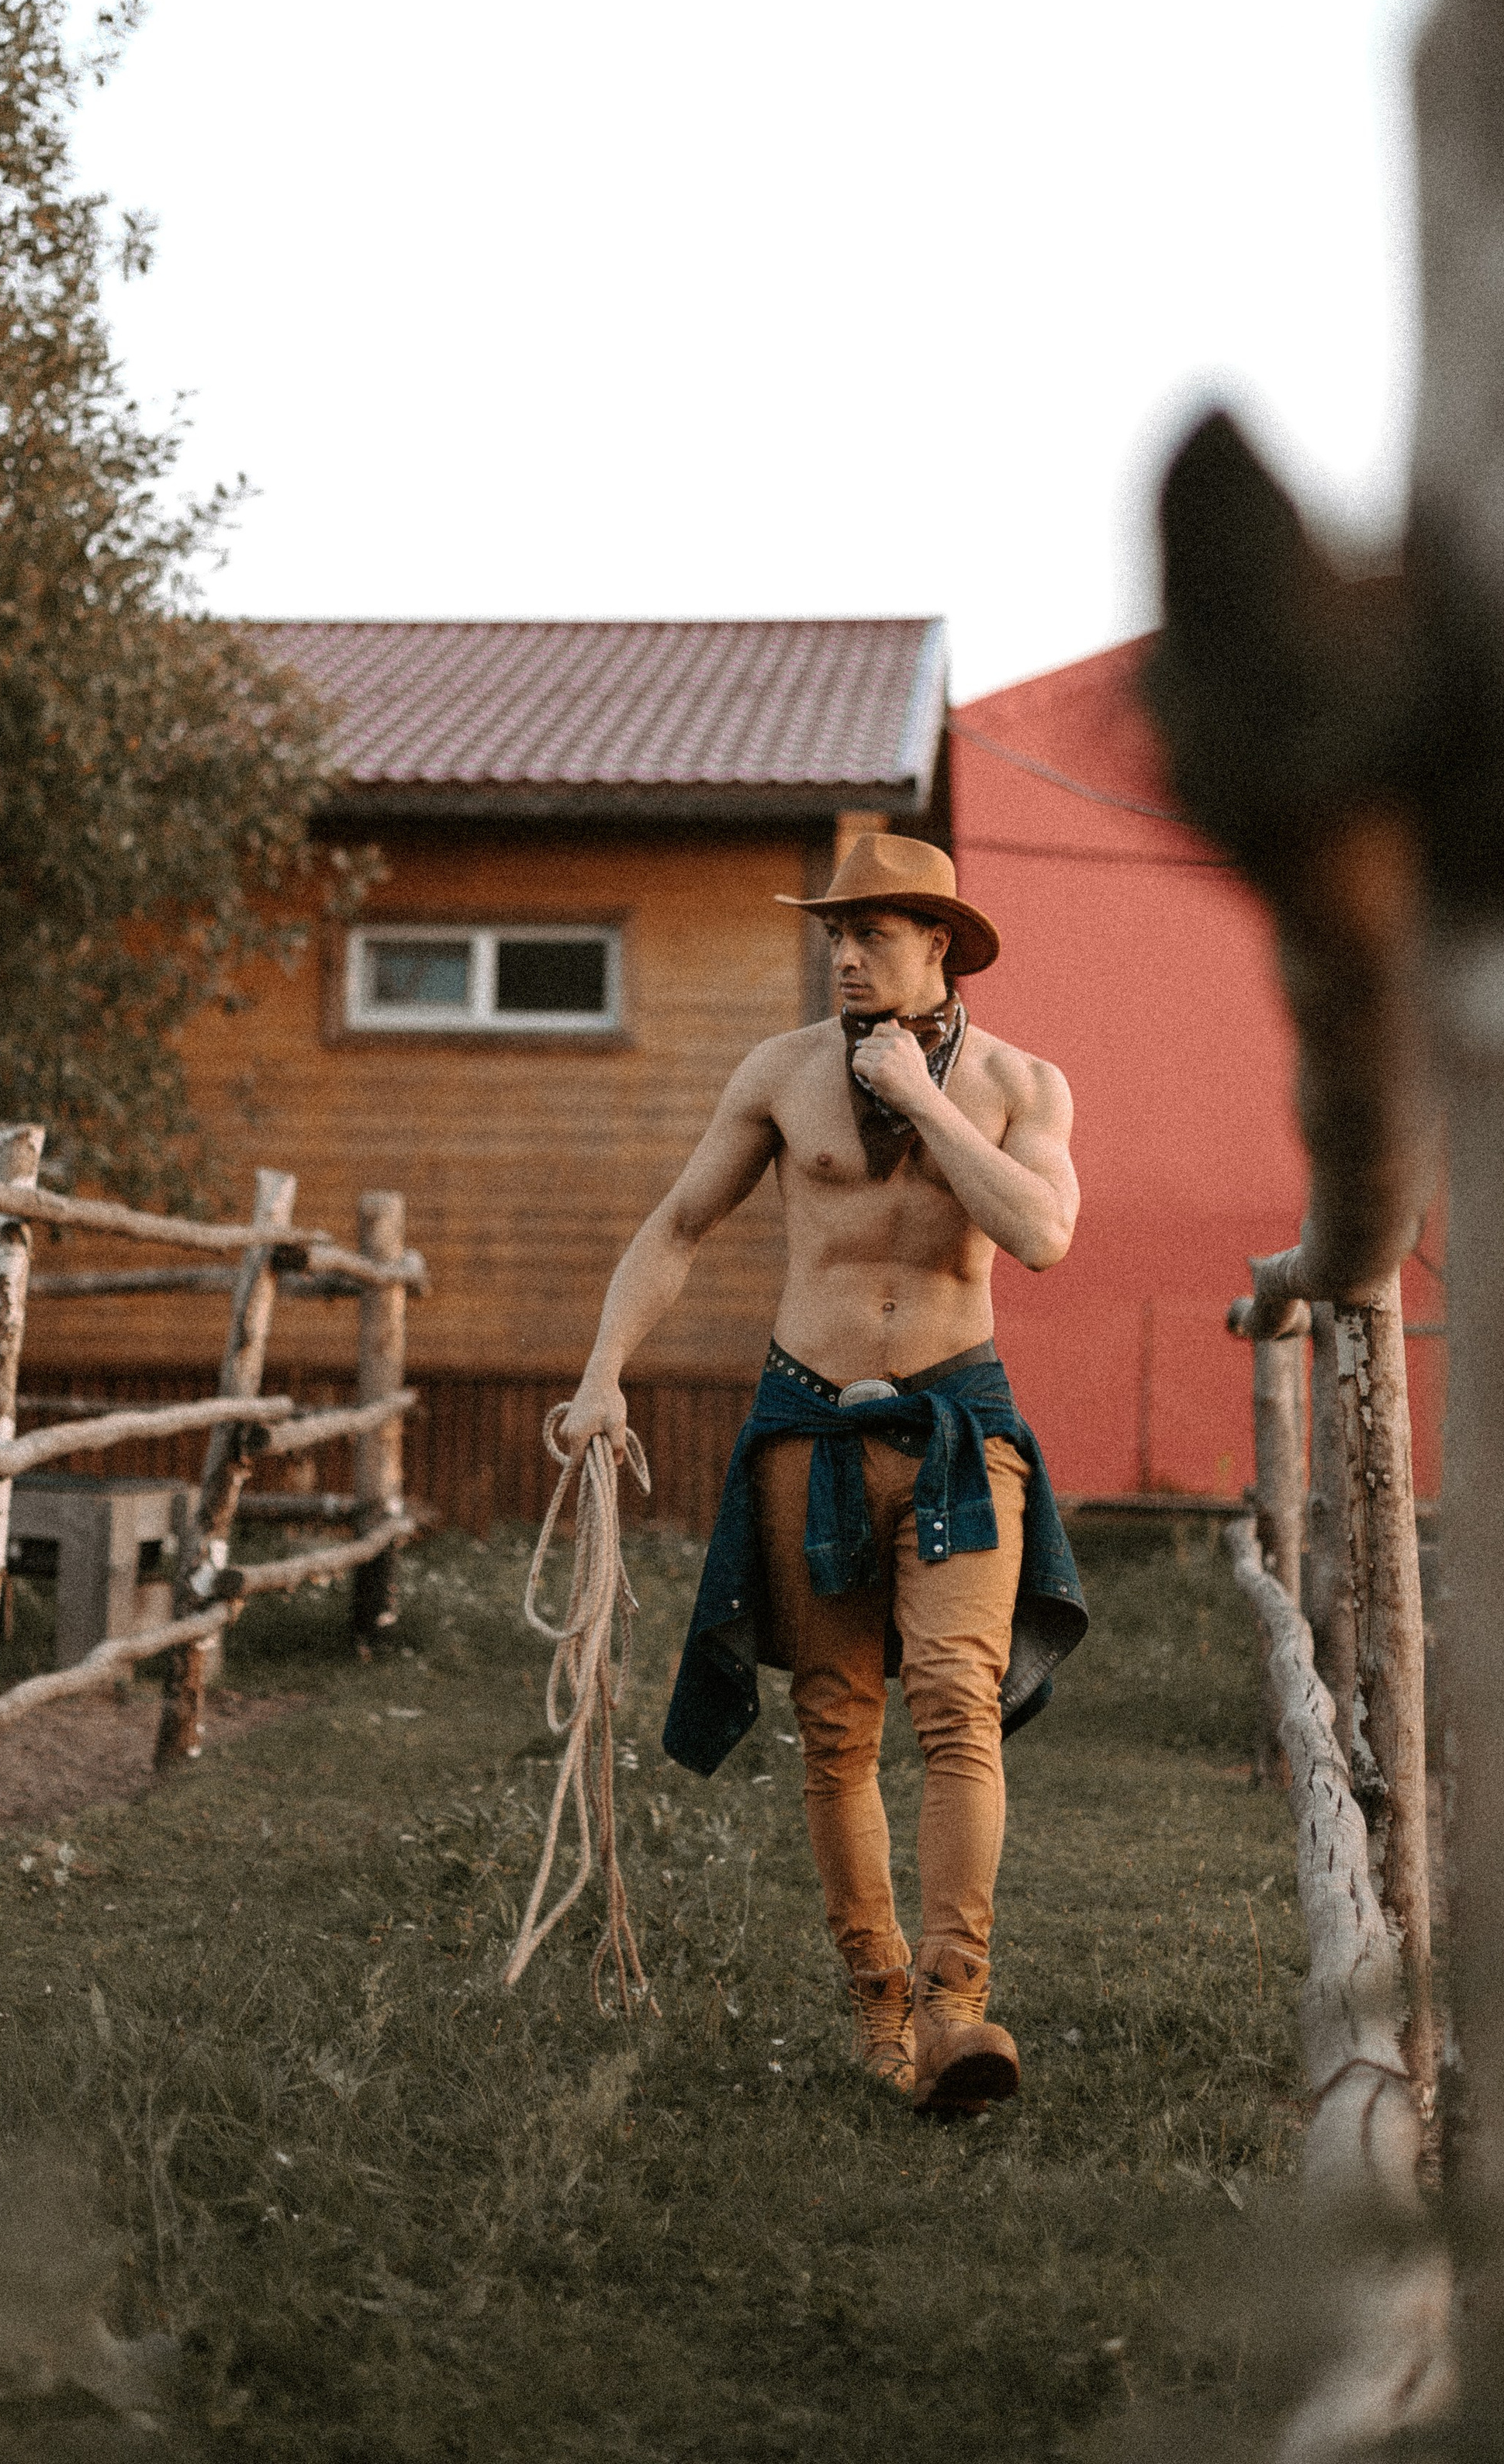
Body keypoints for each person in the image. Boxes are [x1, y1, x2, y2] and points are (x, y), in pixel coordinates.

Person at [559, 830, 1087, 2116]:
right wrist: (601, 1372)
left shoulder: (1023, 1085)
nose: (844, 956)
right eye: (834, 937)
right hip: (807, 1427)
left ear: (940, 948)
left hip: (961, 1430)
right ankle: (879, 2009)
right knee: (836, 1725)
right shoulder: (781, 1072)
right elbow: (681, 1224)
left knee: (957, 1703)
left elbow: (1042, 1235)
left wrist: (920, 1097)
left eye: (871, 936)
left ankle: (959, 2008)